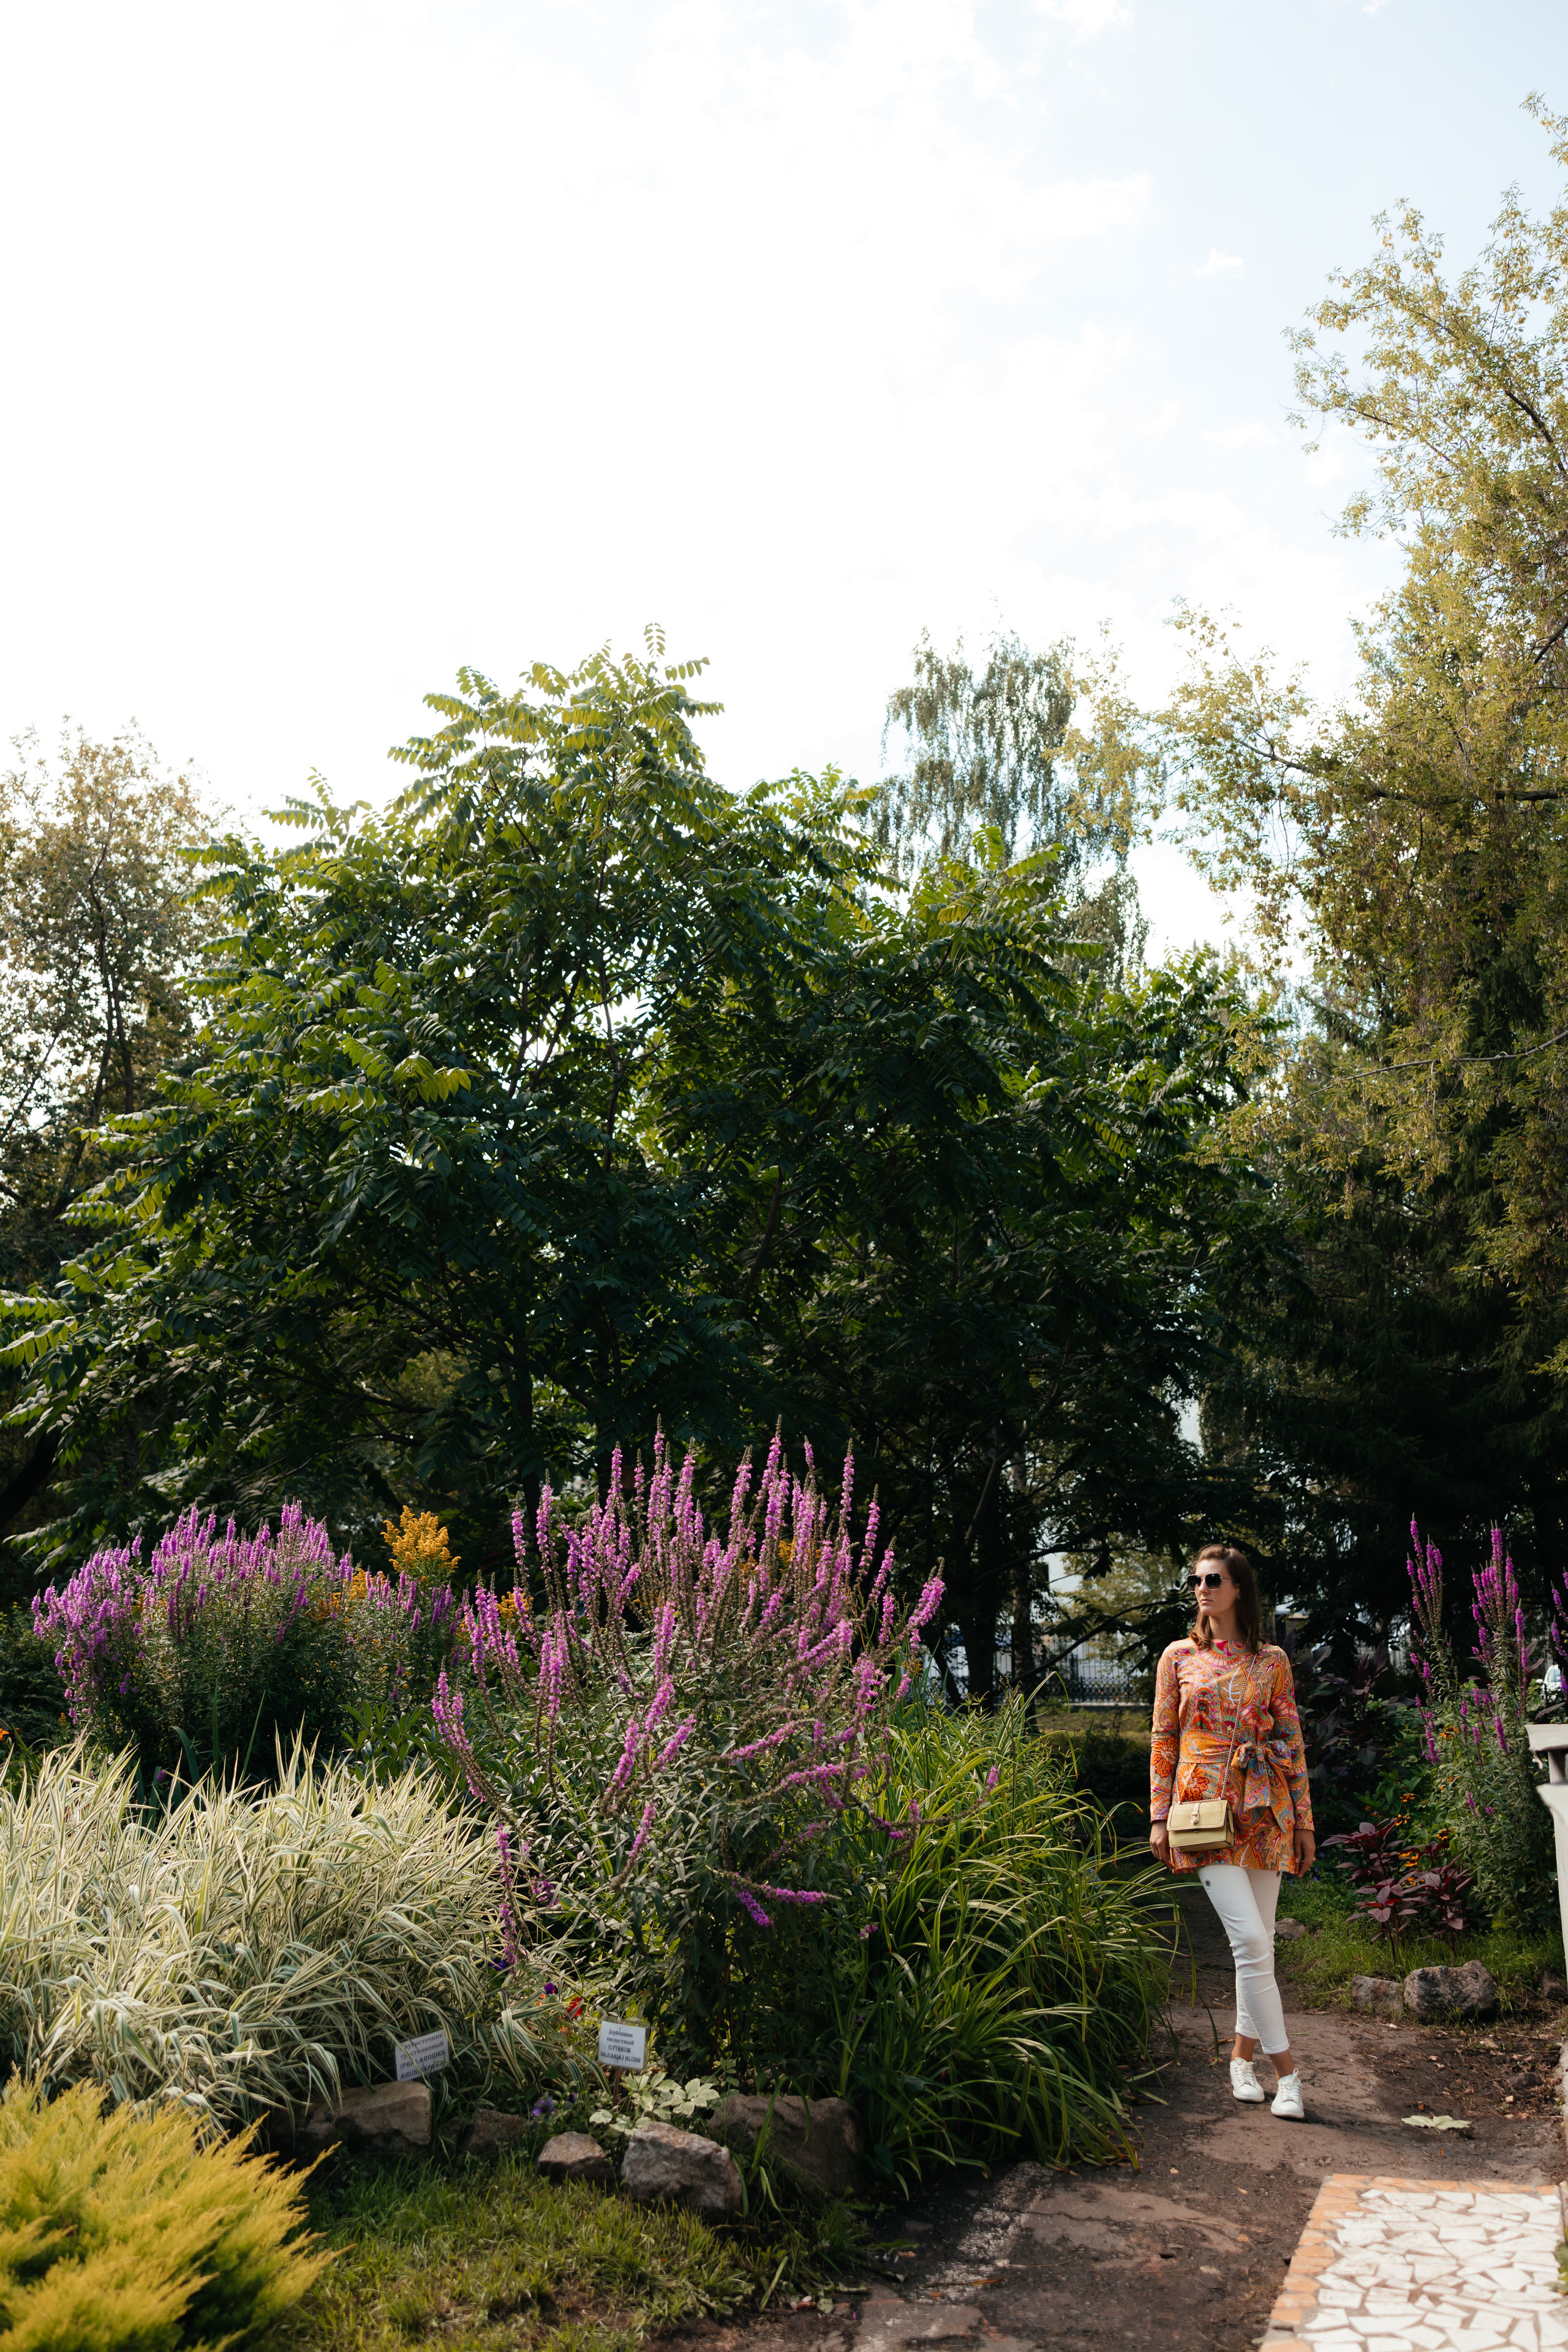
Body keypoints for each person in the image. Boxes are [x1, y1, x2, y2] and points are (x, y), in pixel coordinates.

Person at [1148, 1543, 1315, 2119]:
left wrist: (1304, 1822)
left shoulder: (1272, 1661)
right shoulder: (1178, 1657)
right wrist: (1157, 1815)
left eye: (1213, 1578)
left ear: (1238, 1587)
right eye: (1195, 1578)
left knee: (1260, 1947)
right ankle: (1289, 2074)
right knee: (1248, 1941)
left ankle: (1241, 2059)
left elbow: (1291, 1742)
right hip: (1200, 1812)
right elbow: (1163, 1739)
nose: (1202, 1587)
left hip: (1265, 1810)